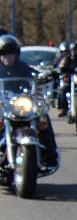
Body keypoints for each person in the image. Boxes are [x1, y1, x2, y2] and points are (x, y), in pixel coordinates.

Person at [0, 35, 59, 168]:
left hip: (20, 105)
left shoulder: (24, 68)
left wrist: (47, 75)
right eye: (3, 53)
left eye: (10, 53)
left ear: (16, 54)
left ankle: (51, 154)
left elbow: (35, 74)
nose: (7, 56)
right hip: (3, 104)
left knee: (42, 119)